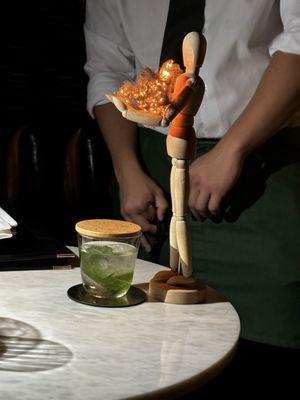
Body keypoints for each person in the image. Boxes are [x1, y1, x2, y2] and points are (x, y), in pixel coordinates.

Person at [84, 0, 300, 355]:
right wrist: (127, 170)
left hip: (261, 164)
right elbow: (108, 70)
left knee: (273, 323)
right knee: (153, 342)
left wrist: (232, 151)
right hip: (150, 169)